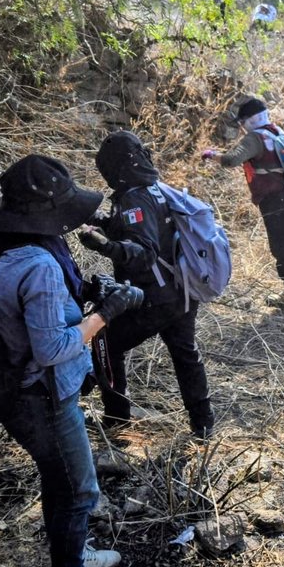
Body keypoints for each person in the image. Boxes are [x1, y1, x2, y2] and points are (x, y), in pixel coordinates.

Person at [0, 155, 142, 567]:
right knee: (79, 490)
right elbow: (52, 348)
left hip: (26, 392)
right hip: (43, 396)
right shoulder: (39, 264)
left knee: (60, 481)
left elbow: (36, 310)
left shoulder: (6, 245)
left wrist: (87, 292)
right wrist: (106, 313)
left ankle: (74, 551)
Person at [77, 131, 215, 438]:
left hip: (154, 299)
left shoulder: (133, 197)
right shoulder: (155, 189)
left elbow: (144, 252)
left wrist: (104, 246)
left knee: (104, 340)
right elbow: (137, 228)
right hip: (182, 291)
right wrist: (98, 220)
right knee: (186, 354)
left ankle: (117, 419)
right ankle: (204, 425)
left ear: (115, 167)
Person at [202, 97, 284, 312]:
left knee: (283, 249)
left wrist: (212, 155)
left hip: (278, 202)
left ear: (250, 120)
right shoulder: (276, 132)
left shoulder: (255, 138)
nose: (242, 127)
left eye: (243, 122)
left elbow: (231, 159)